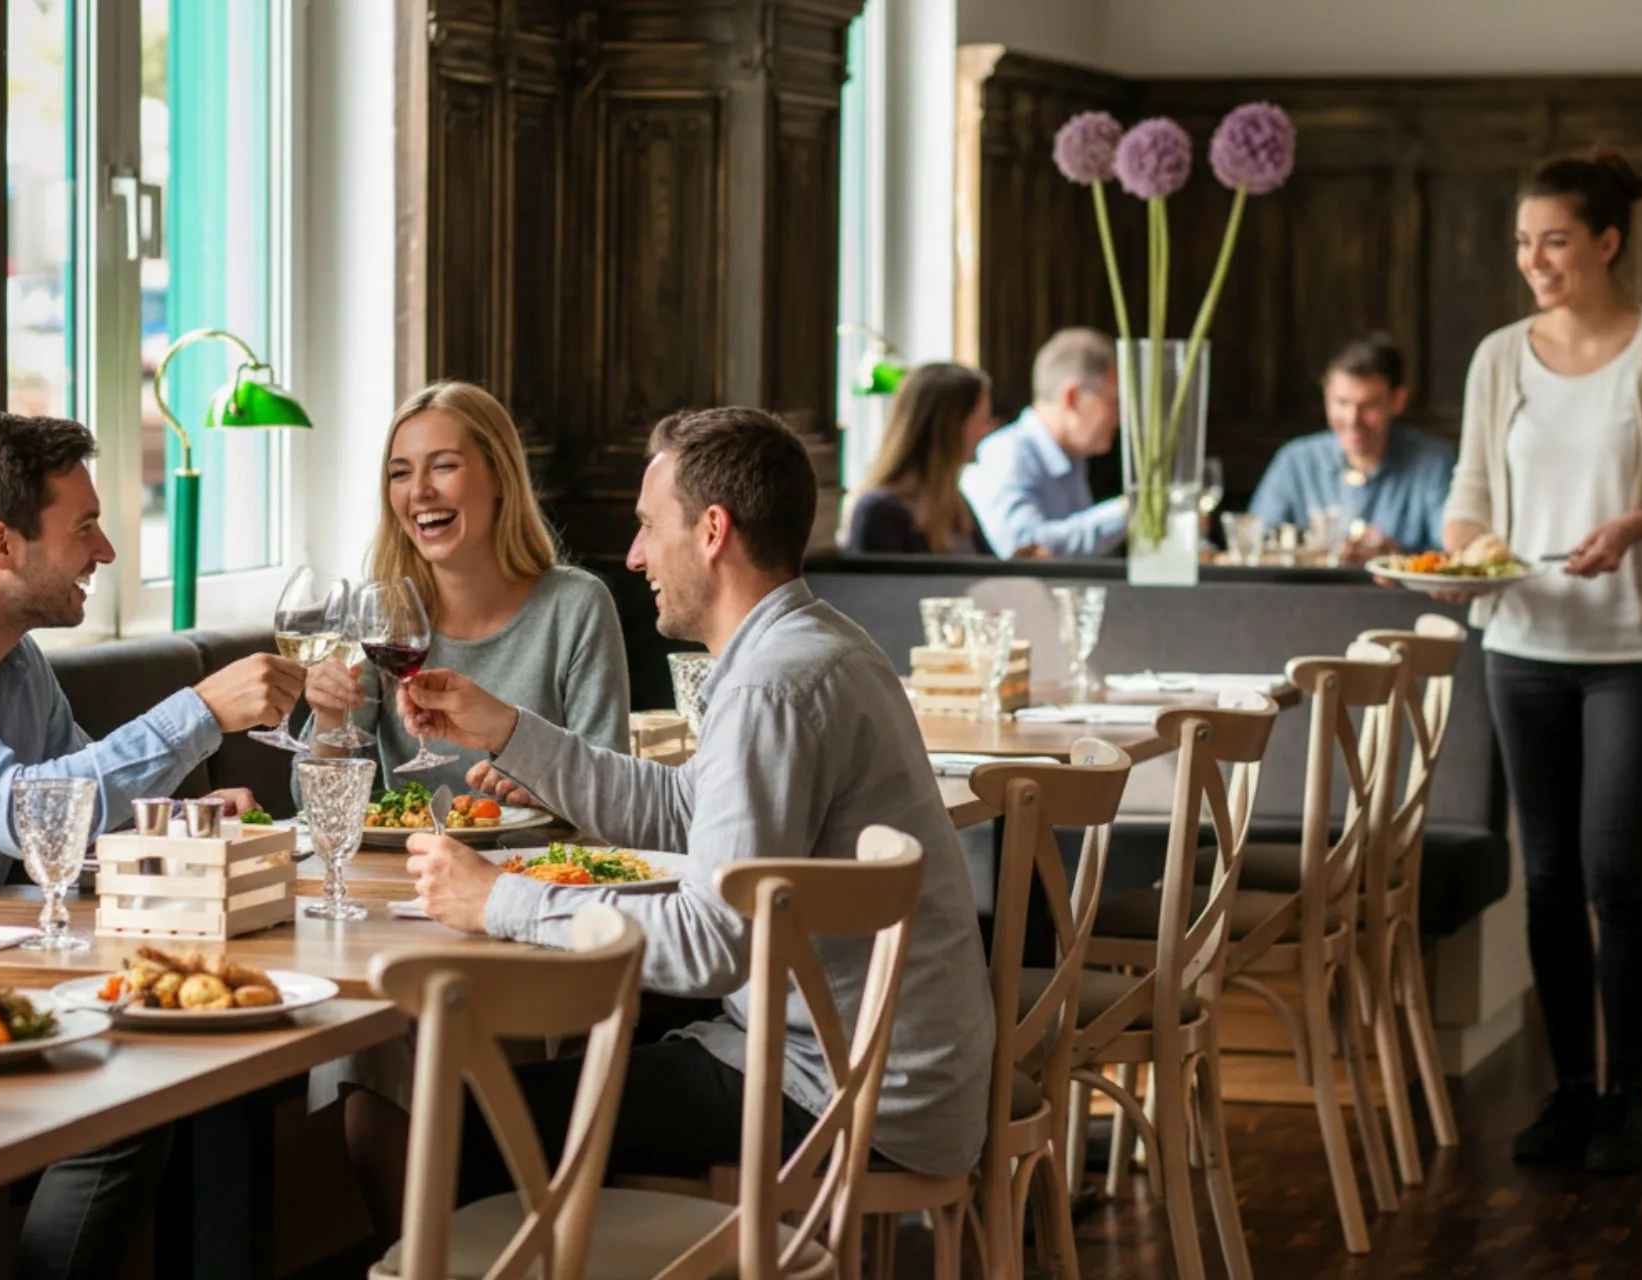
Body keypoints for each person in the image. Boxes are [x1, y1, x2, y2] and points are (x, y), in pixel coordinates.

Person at [363, 406, 993, 1223]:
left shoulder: (772, 686)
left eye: (647, 527)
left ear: (712, 532)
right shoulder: (814, 643)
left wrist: (498, 902)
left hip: (839, 1093)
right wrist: (506, 729)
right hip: (877, 1072)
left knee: (463, 1124)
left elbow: (712, 944)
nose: (633, 555)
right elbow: (684, 805)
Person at [0, 412, 305, 1278]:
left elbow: (79, 824)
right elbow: (23, 809)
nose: (105, 552)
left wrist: (180, 817)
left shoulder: (20, 662)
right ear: (2, 544)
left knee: (148, 1086)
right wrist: (203, 712)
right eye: (84, 530)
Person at [1439, 151, 1642, 1175]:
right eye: (1524, 241)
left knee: (1614, 871)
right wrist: (1474, 551)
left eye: (1554, 239)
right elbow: (1468, 496)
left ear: (1605, 241)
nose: (1535, 260)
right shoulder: (1498, 355)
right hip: (1520, 643)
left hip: (1632, 648)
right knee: (1547, 875)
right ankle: (1568, 1091)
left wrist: (1634, 525)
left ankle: (1629, 1099)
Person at [303, 381, 629, 800]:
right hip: (410, 863)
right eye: (400, 473)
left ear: (499, 476)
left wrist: (548, 790)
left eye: (443, 466)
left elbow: (614, 792)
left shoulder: (576, 605)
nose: (419, 490)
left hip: (535, 863)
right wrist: (330, 720)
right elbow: (318, 804)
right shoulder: (379, 614)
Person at [1249, 332, 1455, 561]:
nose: (1352, 420)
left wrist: (1396, 555)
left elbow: (1453, 555)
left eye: (1368, 406)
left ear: (1397, 401)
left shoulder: (1433, 462)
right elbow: (1256, 544)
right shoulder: (1294, 461)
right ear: (1326, 396)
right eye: (1342, 403)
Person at [961, 326, 1126, 558]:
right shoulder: (1007, 454)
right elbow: (1024, 550)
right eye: (1114, 401)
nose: (1120, 418)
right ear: (1072, 398)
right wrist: (1125, 514)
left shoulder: (1072, 458)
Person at [845, 362, 997, 554]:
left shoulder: (956, 506)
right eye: (981, 420)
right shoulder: (879, 513)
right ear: (949, 428)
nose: (988, 430)